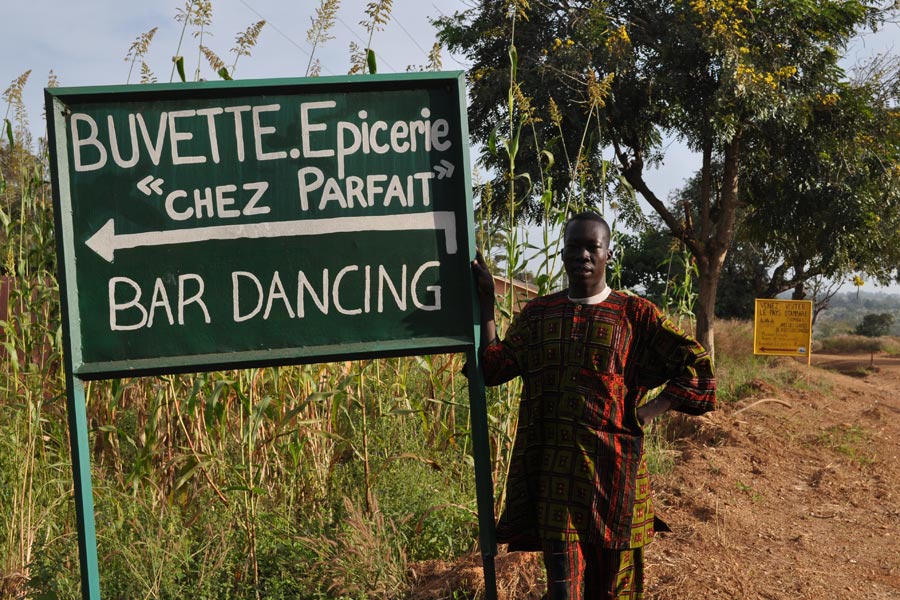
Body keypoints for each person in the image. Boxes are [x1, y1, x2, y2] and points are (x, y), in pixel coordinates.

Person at [471, 211, 716, 600]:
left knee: (613, 594)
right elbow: (494, 367)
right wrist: (486, 304)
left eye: (592, 247)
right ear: (563, 254)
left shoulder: (634, 314)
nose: (581, 255)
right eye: (573, 246)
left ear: (608, 255)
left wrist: (649, 411)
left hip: (616, 484)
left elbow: (697, 365)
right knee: (563, 593)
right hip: (556, 486)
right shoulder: (539, 315)